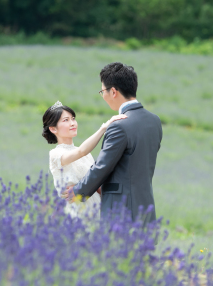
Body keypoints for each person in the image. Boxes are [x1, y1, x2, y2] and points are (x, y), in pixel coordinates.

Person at [62, 62, 162, 223]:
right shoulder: (154, 121)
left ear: (113, 91)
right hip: (146, 210)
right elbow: (132, 165)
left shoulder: (120, 126)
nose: (103, 96)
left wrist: (78, 191)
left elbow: (102, 167)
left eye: (103, 91)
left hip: (121, 213)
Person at [43, 101, 127, 219]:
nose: (72, 123)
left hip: (97, 210)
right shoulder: (56, 154)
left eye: (73, 118)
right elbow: (81, 151)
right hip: (77, 212)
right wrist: (104, 127)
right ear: (53, 129)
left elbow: (97, 183)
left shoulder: (86, 154)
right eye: (66, 120)